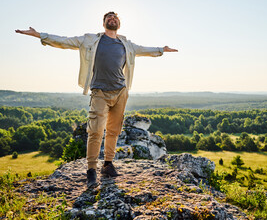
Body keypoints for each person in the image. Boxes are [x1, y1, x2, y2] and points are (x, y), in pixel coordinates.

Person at [16, 11, 178, 187]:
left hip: (121, 92)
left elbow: (145, 50)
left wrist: (162, 50)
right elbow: (65, 41)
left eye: (115, 17)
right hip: (99, 91)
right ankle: (91, 169)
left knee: (114, 130)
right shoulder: (90, 40)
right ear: (104, 23)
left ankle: (108, 164)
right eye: (108, 17)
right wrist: (40, 35)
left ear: (119, 23)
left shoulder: (126, 44)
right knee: (95, 131)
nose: (112, 18)